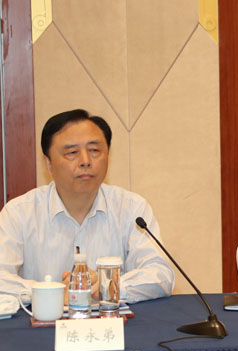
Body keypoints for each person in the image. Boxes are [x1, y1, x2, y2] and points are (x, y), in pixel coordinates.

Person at [0, 109, 174, 304]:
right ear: (48, 163)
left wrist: (106, 286)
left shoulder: (132, 209)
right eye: (72, 153)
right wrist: (53, 293)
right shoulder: (19, 213)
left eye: (94, 151)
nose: (85, 161)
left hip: (113, 322)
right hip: (45, 323)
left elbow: (161, 274)